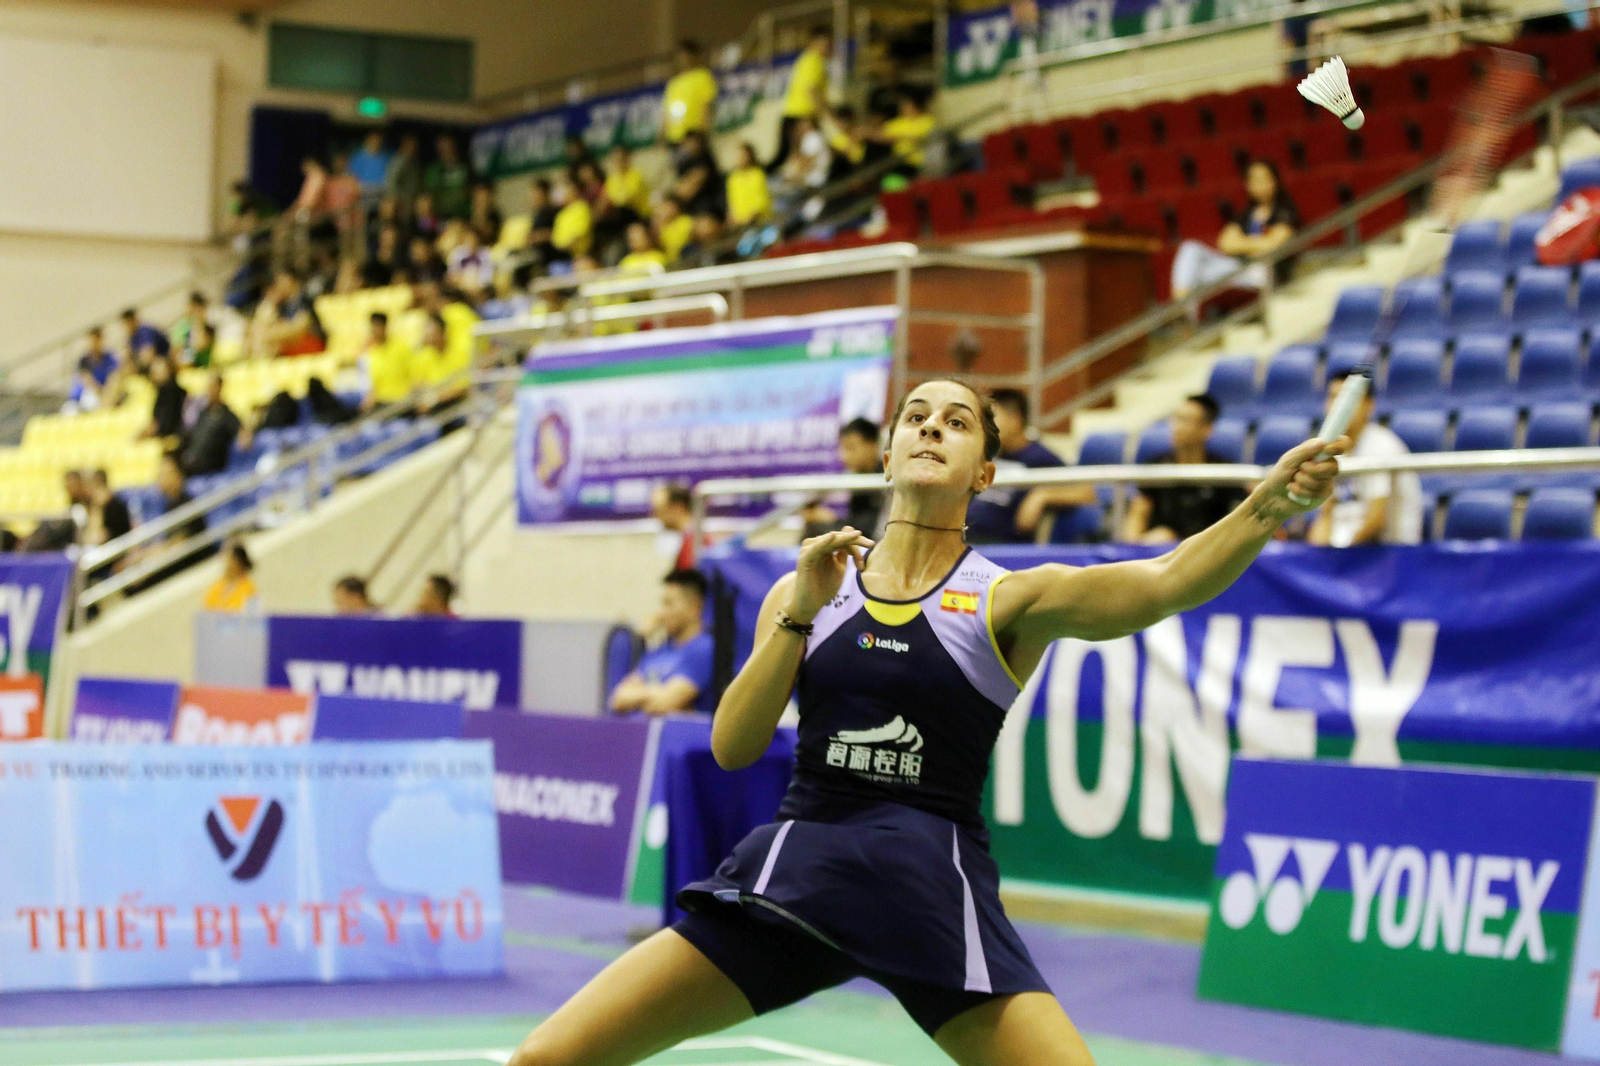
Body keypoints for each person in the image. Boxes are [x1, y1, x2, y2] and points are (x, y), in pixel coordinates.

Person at [505, 377, 1344, 1066]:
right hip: (799, 877)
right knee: (548, 1059)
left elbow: (1163, 581)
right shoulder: (809, 587)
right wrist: (798, 609)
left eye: (956, 422)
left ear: (985, 471)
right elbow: (734, 746)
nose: (930, 428)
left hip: (928, 889)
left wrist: (1265, 505)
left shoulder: (1010, 599)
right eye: (915, 416)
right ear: (890, 455)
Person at [1308, 369, 1424, 547]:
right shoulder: (1330, 449)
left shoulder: (1382, 446)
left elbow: (1376, 522)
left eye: (1347, 399)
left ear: (1369, 405)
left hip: (1389, 553)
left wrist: (1336, 563)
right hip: (1347, 552)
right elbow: (1325, 516)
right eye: (1332, 398)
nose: (1338, 407)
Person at [966, 389, 1095, 544]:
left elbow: (1086, 492)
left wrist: (1041, 496)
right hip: (963, 535)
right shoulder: (991, 455)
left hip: (997, 544)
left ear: (1015, 419)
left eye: (992, 419)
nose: (985, 427)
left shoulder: (1039, 457)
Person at [1121, 395, 1249, 544]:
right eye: (1176, 419)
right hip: (1163, 554)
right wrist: (1141, 545)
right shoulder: (1155, 469)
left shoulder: (1225, 473)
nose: (1177, 427)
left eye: (1186, 420)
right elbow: (1137, 518)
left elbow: (1238, 524)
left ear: (1207, 429)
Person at [1171, 159, 1300, 302]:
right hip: (1239, 267)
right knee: (1190, 248)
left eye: (1264, 179)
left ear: (1275, 180)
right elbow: (1225, 243)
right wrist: (1258, 244)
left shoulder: (1285, 212)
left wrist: (1242, 244)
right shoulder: (1246, 215)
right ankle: (1181, 310)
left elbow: (1273, 246)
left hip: (1264, 273)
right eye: (1254, 180)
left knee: (1197, 275)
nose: (1260, 185)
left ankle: (1182, 312)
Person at [609, 568, 715, 715]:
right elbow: (618, 699)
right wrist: (655, 694)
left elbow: (664, 704)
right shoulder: (659, 651)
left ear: (694, 608)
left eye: (669, 604)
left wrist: (640, 695)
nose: (661, 613)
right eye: (662, 604)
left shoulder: (705, 649)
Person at [802, 419, 886, 538]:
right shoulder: (859, 477)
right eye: (843, 448)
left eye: (851, 448)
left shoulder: (883, 479)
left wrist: (831, 520)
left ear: (872, 445)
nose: (844, 456)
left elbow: (868, 531)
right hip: (860, 538)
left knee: (816, 528)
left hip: (873, 544)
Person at [771, 26, 833, 173]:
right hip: (801, 116)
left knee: (787, 156)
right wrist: (824, 114)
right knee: (798, 156)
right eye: (826, 43)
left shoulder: (807, 59)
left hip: (795, 114)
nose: (828, 48)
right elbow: (811, 91)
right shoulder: (814, 61)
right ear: (814, 42)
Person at [180, 373, 242, 476]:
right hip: (194, 461)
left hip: (212, 463)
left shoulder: (226, 413)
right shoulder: (202, 413)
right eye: (208, 387)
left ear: (220, 387)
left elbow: (240, 430)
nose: (210, 390)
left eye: (213, 386)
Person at [662, 40, 718, 147]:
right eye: (680, 55)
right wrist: (664, 132)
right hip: (674, 137)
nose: (683, 59)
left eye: (685, 55)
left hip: (695, 135)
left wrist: (703, 131)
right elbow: (666, 111)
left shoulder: (703, 76)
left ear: (694, 56)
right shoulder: (674, 82)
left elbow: (708, 104)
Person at [874, 90, 936, 180]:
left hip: (918, 163)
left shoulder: (928, 121)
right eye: (902, 105)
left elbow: (920, 139)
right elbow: (879, 135)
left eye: (907, 105)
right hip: (898, 161)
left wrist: (897, 137)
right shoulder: (896, 122)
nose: (903, 107)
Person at [361, 312, 414, 411]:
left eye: (378, 326)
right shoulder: (370, 352)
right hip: (380, 401)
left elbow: (414, 373)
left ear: (385, 326)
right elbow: (368, 381)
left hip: (401, 399)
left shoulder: (401, 348)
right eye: (373, 326)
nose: (374, 330)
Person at [651, 482, 708, 570]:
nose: (655, 516)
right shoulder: (684, 539)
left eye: (660, 510)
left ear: (678, 508)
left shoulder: (698, 542)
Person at [726, 143, 773, 227]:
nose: (739, 159)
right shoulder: (733, 178)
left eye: (742, 155)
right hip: (739, 223)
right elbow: (732, 203)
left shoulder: (757, 174)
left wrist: (751, 217)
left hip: (759, 221)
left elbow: (761, 201)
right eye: (737, 156)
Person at [204, 540, 259, 612]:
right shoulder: (217, 586)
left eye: (229, 560)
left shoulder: (248, 589)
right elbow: (207, 611)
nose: (227, 564)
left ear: (238, 563)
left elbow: (252, 615)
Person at [426, 135, 472, 220]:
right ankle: (424, 230)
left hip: (463, 215)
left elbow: (469, 190)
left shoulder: (465, 167)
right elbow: (431, 192)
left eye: (448, 146)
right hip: (440, 216)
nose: (446, 150)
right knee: (423, 207)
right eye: (442, 148)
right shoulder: (434, 169)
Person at [71, 328, 119, 410]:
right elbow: (87, 381)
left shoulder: (110, 358)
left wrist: (107, 393)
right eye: (91, 341)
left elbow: (114, 377)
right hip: (86, 395)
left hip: (105, 394)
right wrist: (99, 391)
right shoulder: (84, 360)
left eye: (96, 340)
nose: (94, 344)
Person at [550, 173, 594, 262]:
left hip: (583, 255)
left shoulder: (582, 207)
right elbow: (556, 238)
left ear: (573, 189)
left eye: (566, 188)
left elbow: (581, 231)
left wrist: (568, 243)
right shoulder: (561, 214)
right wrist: (562, 245)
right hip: (565, 258)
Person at [144, 354, 188, 440]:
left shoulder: (172, 392)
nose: (154, 375)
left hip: (169, 437)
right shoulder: (159, 391)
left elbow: (165, 423)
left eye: (158, 371)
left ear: (169, 371)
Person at [348, 130, 392, 209]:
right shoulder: (358, 158)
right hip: (363, 192)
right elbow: (352, 177)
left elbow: (390, 176)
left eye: (378, 140)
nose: (375, 142)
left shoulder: (386, 157)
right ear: (367, 141)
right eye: (373, 140)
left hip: (381, 192)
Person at [170, 292, 211, 365]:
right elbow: (175, 352)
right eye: (192, 308)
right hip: (187, 365)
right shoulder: (181, 325)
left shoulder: (209, 322)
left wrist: (199, 324)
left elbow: (201, 345)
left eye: (197, 309)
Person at [386, 133, 423, 210]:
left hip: (413, 199)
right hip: (400, 201)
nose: (413, 148)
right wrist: (399, 200)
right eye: (410, 145)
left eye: (414, 145)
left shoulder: (415, 162)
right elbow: (392, 184)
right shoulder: (398, 163)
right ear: (403, 146)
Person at [654, 196, 694, 263]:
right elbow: (659, 247)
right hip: (669, 261)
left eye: (670, 207)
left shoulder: (686, 221)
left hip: (687, 257)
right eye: (665, 208)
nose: (667, 210)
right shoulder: (661, 226)